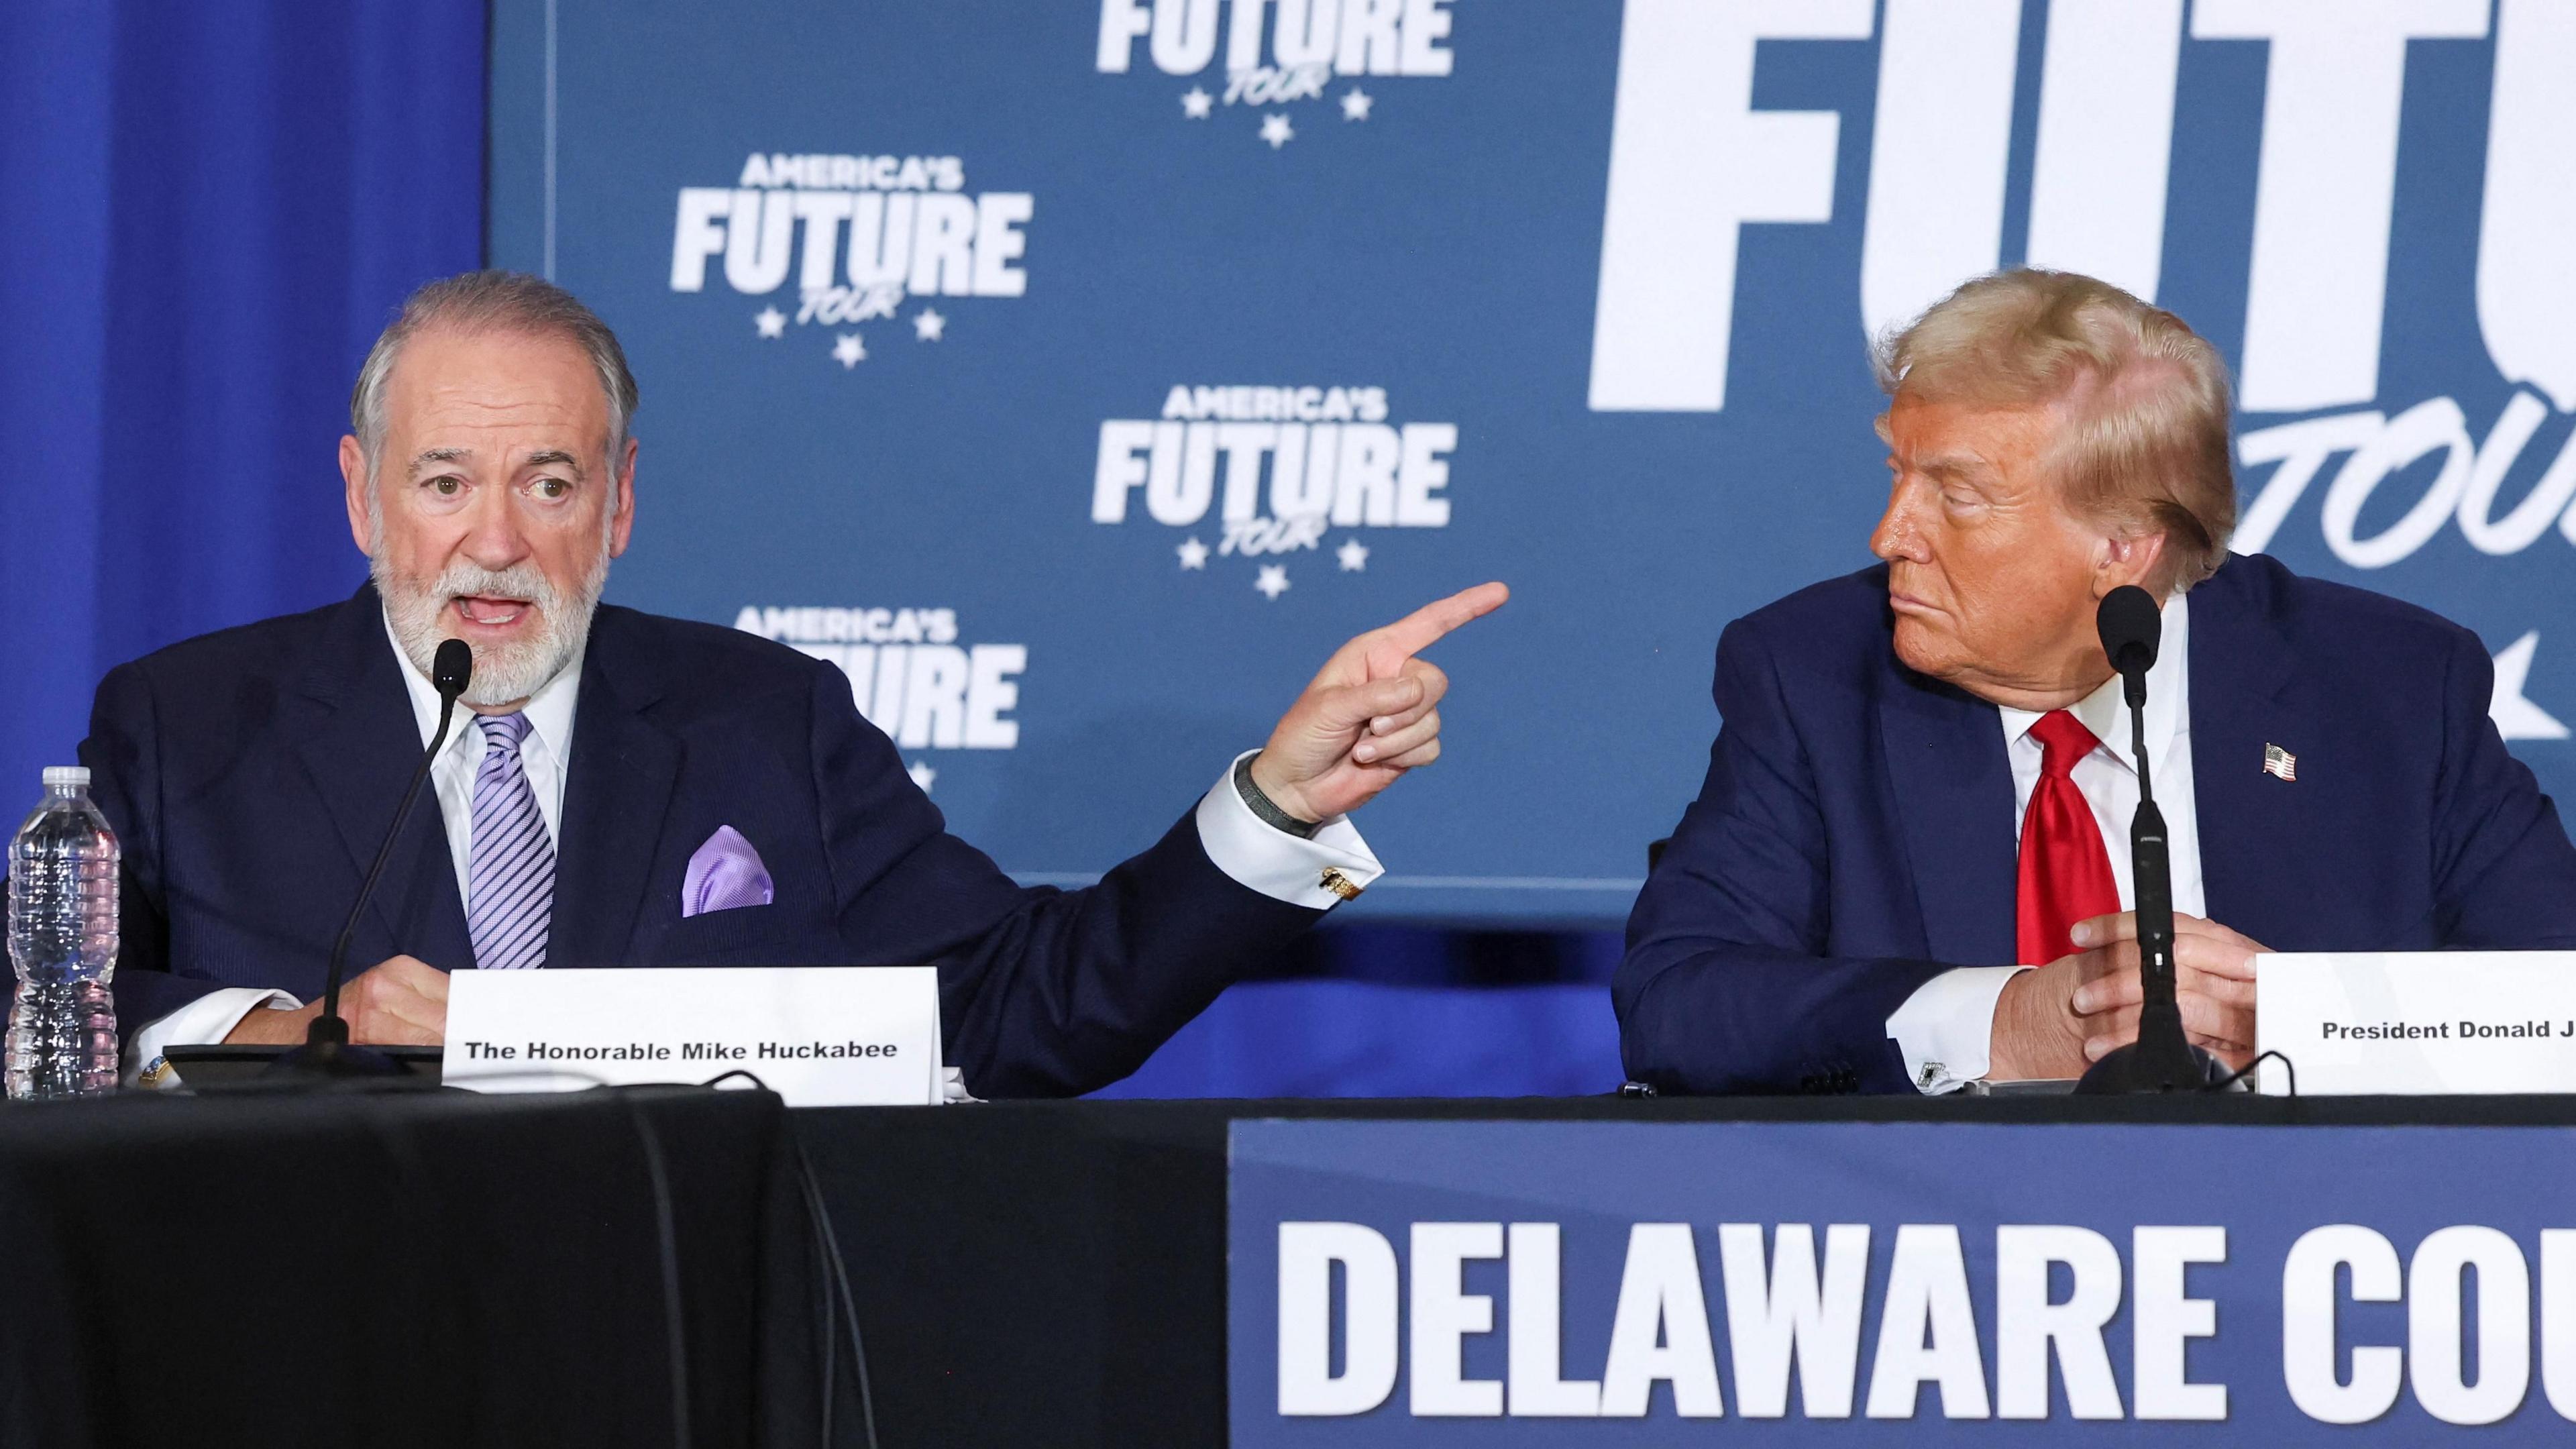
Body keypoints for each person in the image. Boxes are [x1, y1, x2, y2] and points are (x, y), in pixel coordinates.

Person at [80, 270, 1507, 1095]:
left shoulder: (767, 721)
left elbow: (1020, 1009)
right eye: (446, 481)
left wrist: (1276, 804)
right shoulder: (189, 724)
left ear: (621, 504)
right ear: (361, 496)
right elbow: (48, 1015)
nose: (496, 541)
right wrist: (291, 1033)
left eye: (551, 482)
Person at [1619, 268, 2576, 1095]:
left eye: (1954, 495)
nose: (1890, 535)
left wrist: (2303, 1025)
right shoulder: (1814, 671)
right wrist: (1999, 1020)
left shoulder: (2391, 689)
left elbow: (2558, 1006)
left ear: (2121, 546)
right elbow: (1681, 1001)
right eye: (1897, 474)